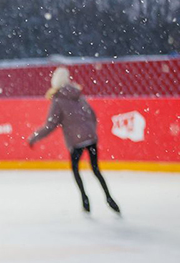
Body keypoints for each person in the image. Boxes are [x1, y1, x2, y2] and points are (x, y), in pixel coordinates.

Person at [29, 67, 121, 214]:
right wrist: (89, 131)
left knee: (76, 170)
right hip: (90, 139)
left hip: (76, 141)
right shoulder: (78, 94)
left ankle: (85, 200)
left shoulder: (58, 100)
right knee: (96, 170)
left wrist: (34, 137)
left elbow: (50, 124)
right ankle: (109, 199)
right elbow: (92, 114)